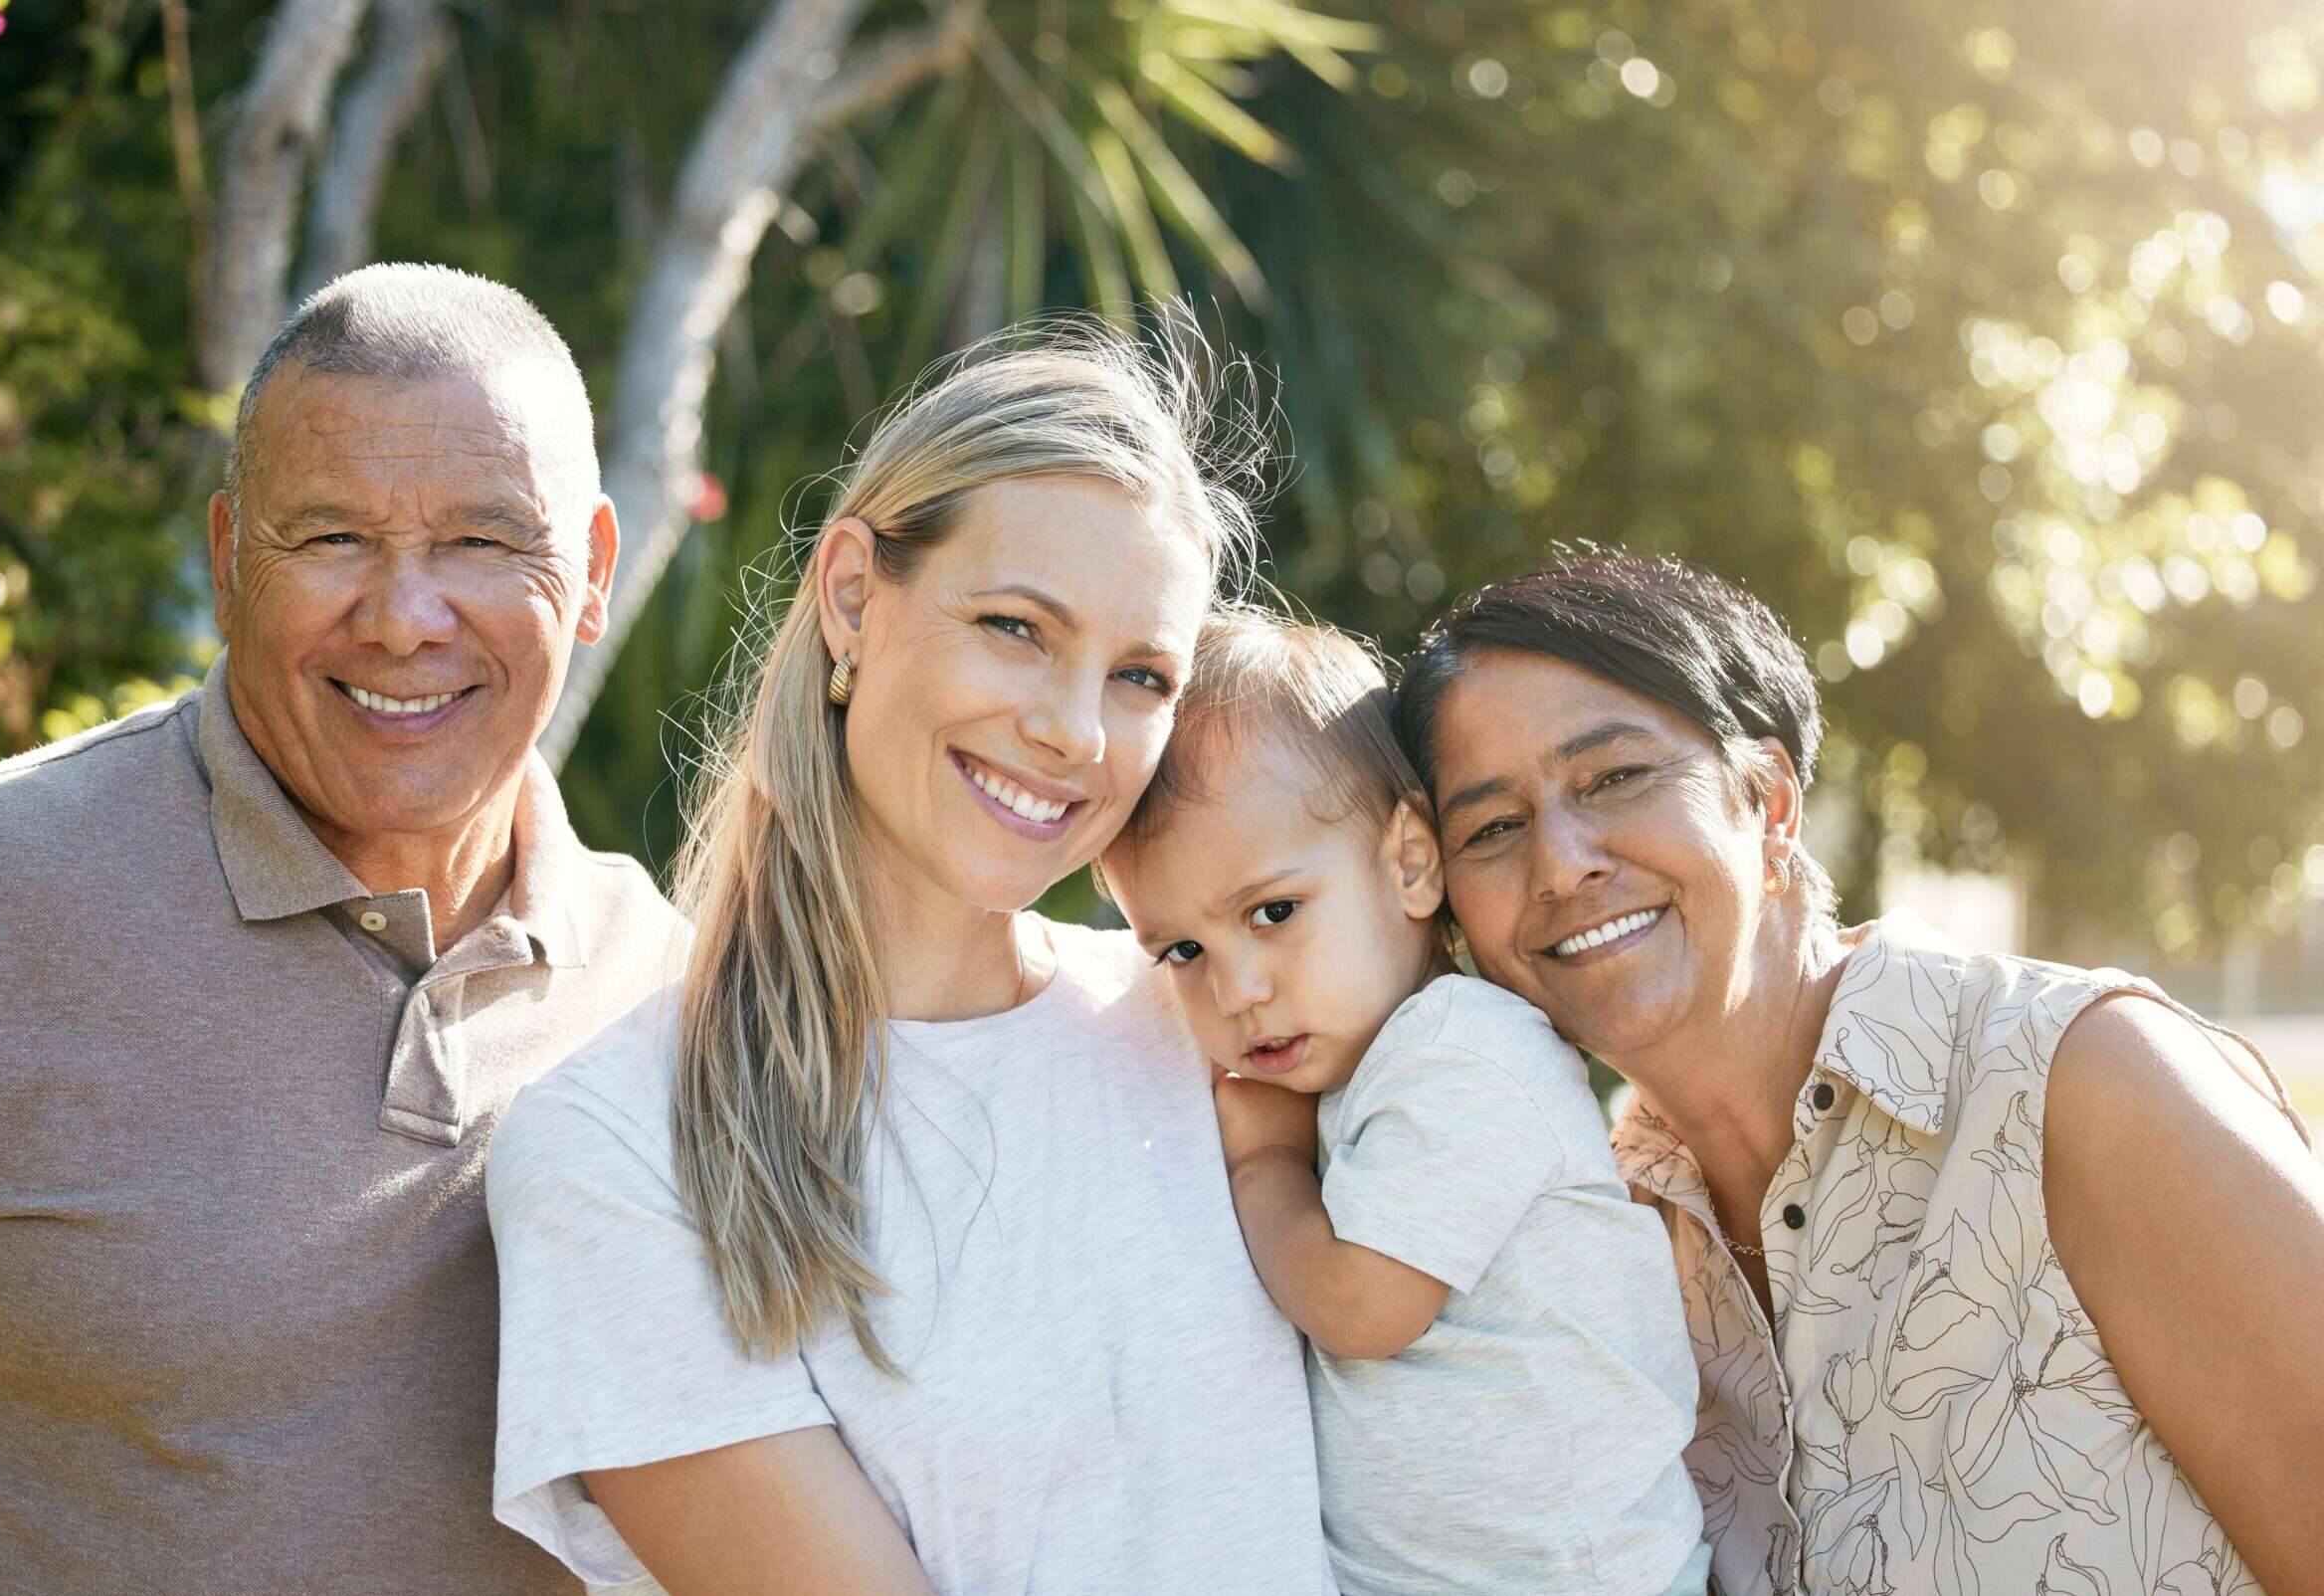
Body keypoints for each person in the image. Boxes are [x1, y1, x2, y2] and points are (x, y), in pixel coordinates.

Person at [0, 263, 687, 1595]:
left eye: (483, 543)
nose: (404, 618)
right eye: (330, 540)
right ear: (224, 562)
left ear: (594, 570)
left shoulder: (660, 982)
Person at [484, 321, 1334, 1595]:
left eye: (1141, 675)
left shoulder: (1216, 1031)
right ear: (849, 598)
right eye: (1014, 627)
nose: (1071, 730)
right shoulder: (614, 1145)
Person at [1393, 550, 2324, 1596]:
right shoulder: (1596, 1238)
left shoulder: (2081, 1080)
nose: (1559, 862)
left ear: (1772, 802)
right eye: (1493, 827)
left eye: (1615, 776)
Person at [1097, 607, 1711, 1596]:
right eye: (1183, 950)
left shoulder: (1467, 1052)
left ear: (1411, 862)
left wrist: (1265, 1163)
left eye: (1273, 912)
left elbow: (1359, 1304)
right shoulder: (1363, 1067)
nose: (1238, 986)